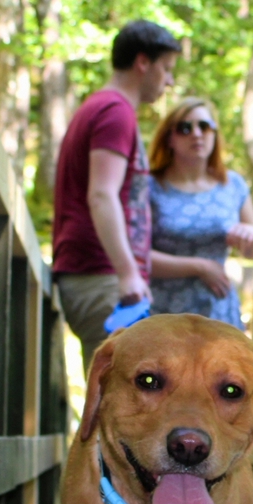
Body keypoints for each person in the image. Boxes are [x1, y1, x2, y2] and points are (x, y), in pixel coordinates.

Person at [52, 20, 180, 370]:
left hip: (100, 275)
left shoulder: (102, 108)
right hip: (100, 275)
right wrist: (127, 273)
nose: (169, 80)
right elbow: (102, 195)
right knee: (116, 403)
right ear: (143, 63)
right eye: (166, 69)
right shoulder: (115, 112)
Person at [146, 98, 253, 329]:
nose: (197, 134)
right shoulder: (148, 186)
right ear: (169, 138)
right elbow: (136, 256)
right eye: (185, 128)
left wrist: (250, 235)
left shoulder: (233, 184)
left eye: (205, 126)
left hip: (218, 311)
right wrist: (200, 267)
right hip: (163, 313)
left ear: (215, 134)